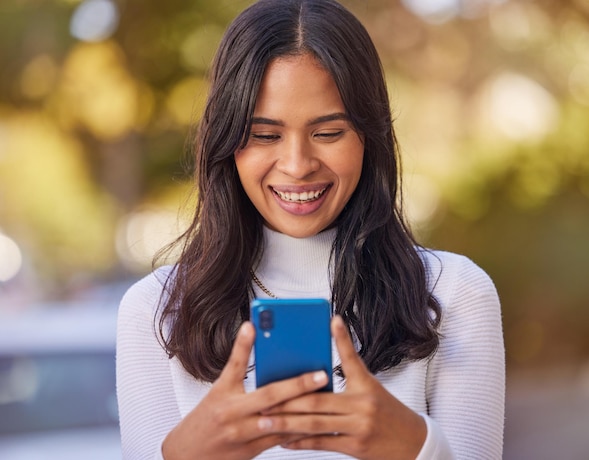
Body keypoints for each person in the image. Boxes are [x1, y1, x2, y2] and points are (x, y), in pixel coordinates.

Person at [115, 0, 505, 459]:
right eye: (265, 136)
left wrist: (414, 447)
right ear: (227, 143)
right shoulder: (156, 312)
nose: (298, 166)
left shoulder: (454, 294)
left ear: (369, 137)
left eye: (329, 132)